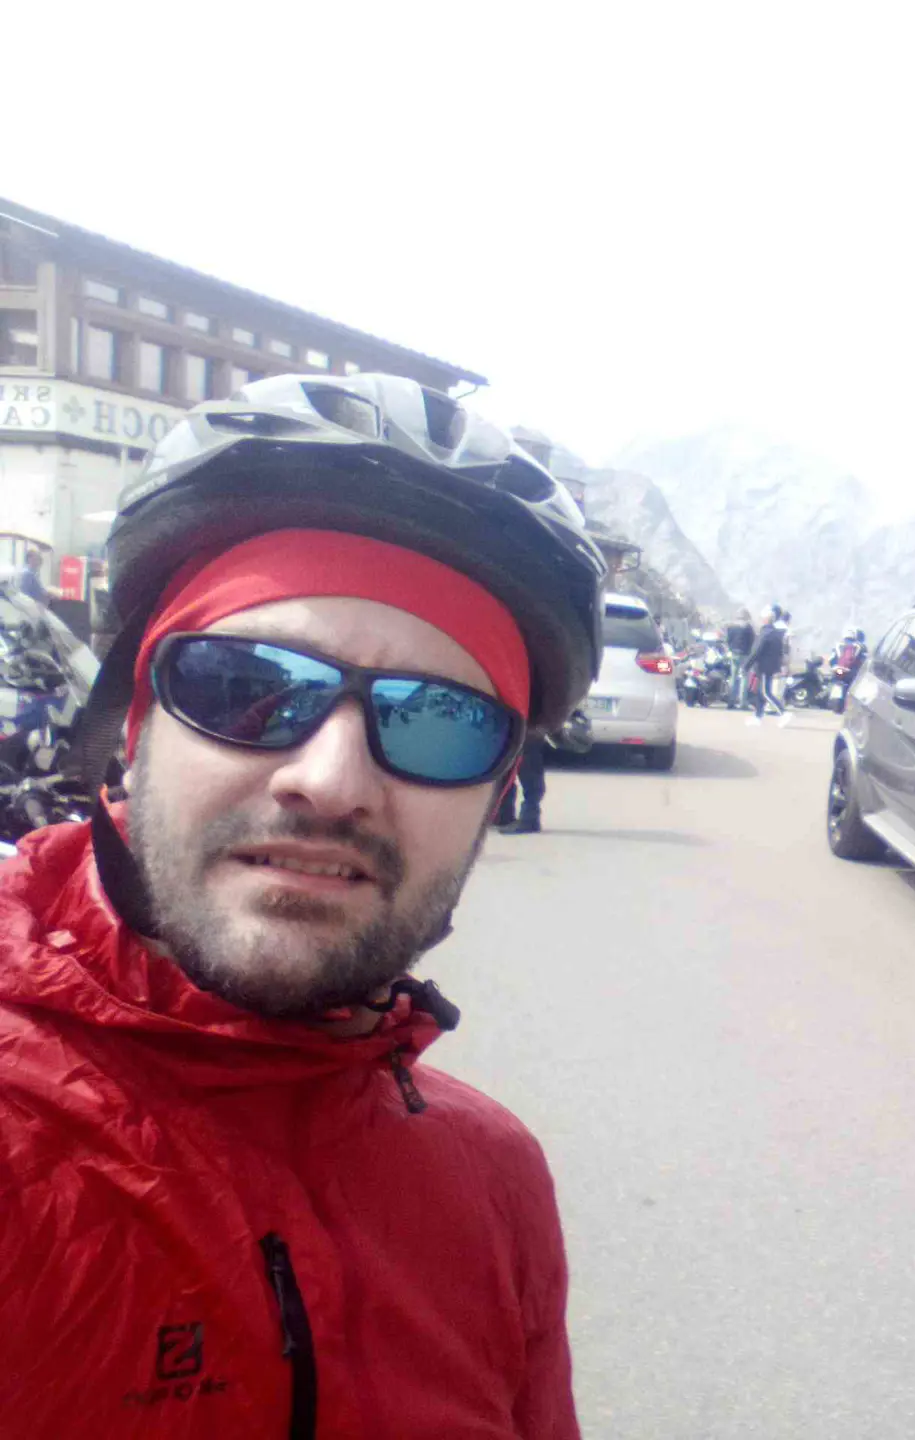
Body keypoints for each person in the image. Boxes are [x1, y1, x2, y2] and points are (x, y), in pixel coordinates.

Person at [0, 375, 598, 1434]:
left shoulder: (493, 1181)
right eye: (246, 687)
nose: (331, 781)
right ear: (133, 731)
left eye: (441, 721)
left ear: (498, 794)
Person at [746, 605, 789, 726]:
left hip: (763, 667)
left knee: (766, 692)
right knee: (761, 692)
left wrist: (746, 666)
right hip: (770, 666)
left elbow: (756, 651)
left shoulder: (765, 633)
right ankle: (758, 717)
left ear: (765, 619)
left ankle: (783, 713)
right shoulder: (776, 633)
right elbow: (780, 652)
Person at [725, 606, 756, 709]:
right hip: (745, 655)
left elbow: (728, 640)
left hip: (734, 654)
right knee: (744, 677)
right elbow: (752, 641)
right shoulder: (748, 628)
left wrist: (731, 649)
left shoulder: (731, 626)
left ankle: (731, 702)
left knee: (733, 678)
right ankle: (742, 702)